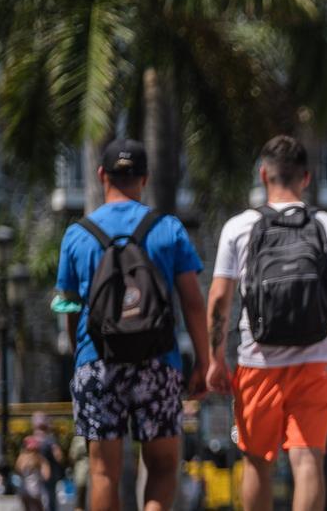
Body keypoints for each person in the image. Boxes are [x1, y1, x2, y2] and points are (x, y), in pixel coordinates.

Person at [206, 135, 327, 511]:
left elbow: (219, 299)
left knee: (256, 462)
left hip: (256, 362)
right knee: (308, 458)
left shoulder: (239, 227)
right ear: (306, 178)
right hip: (316, 361)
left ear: (263, 174)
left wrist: (215, 357)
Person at [55, 138, 210, 511]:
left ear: (101, 174)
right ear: (144, 179)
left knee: (103, 472)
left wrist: (81, 355)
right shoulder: (167, 229)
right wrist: (206, 360)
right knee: (162, 466)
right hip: (158, 362)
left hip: (98, 360)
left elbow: (68, 303)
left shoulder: (78, 234)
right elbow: (192, 300)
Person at [17, 436, 54, 511]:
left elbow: (18, 470)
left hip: (28, 490)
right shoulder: (39, 459)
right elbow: (47, 476)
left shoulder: (23, 457)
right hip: (34, 490)